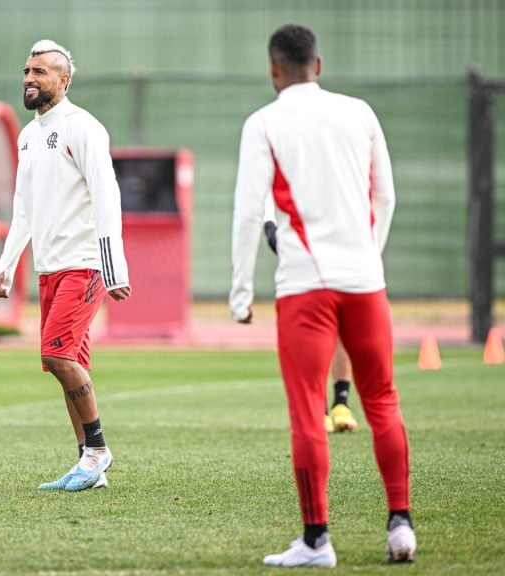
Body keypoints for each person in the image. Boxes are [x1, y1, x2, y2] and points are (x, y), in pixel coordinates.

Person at [229, 23, 414, 567]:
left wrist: (241, 293)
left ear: (272, 68)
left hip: (305, 285)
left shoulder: (263, 122)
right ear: (320, 63)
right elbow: (385, 192)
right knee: (382, 400)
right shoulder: (360, 112)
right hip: (364, 279)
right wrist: (368, 256)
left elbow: (247, 212)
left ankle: (317, 541)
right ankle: (400, 525)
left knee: (307, 412)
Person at [0, 39, 131, 492]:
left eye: (41, 72)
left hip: (85, 264)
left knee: (57, 354)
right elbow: (23, 207)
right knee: (64, 364)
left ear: (64, 81)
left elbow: (107, 193)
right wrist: (5, 264)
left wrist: (114, 265)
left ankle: (98, 450)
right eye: (27, 70)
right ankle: (87, 465)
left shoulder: (82, 127)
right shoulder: (28, 135)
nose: (30, 78)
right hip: (50, 267)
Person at [263, 200, 358, 434]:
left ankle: (339, 405)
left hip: (331, 276)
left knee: (332, 335)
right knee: (321, 339)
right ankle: (324, 408)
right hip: (308, 281)